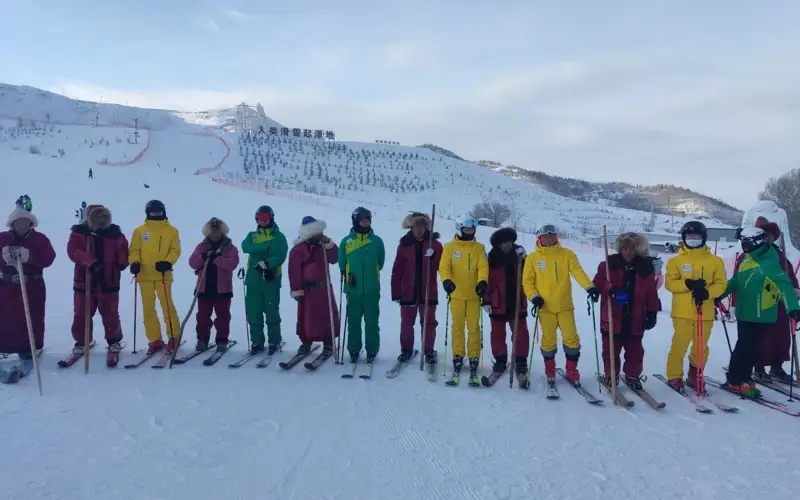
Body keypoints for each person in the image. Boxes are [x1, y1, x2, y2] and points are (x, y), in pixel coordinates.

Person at [718, 227, 800, 397]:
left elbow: (784, 285)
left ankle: (741, 379)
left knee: (751, 348)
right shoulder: (747, 259)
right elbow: (735, 281)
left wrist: (793, 308)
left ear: (756, 242)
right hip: (744, 313)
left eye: (747, 243)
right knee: (744, 347)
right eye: (743, 242)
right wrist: (717, 295)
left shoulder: (770, 261)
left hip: (762, 314)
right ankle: (737, 379)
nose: (744, 246)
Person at [522, 224, 599, 384]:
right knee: (549, 340)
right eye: (545, 236)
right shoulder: (532, 258)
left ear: (556, 237)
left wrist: (589, 287)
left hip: (565, 306)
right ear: (539, 238)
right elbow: (527, 282)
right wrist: (534, 297)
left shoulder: (567, 254)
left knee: (571, 339)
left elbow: (578, 272)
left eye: (552, 236)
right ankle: (550, 370)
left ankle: (571, 370)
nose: (549, 239)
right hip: (545, 307)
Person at [663, 220, 727, 393]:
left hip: (704, 311)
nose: (692, 239)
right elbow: (669, 284)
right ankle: (674, 375)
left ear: (703, 238)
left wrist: (708, 292)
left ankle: (695, 373)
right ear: (684, 238)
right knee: (679, 344)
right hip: (682, 311)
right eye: (689, 236)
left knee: (701, 346)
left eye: (696, 236)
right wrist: (687, 284)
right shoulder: (675, 261)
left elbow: (721, 284)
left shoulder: (715, 262)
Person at [592, 232, 659, 390]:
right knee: (610, 350)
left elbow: (651, 292)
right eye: (625, 248)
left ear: (638, 249)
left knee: (635, 351)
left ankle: (632, 376)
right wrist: (611, 288)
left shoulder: (645, 267)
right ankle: (611, 375)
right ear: (620, 249)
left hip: (635, 319)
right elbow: (598, 282)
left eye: (632, 248)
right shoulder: (608, 265)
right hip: (612, 317)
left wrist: (652, 312)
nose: (628, 252)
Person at [66, 205, 129, 365]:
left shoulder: (116, 235)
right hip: (85, 280)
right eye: (97, 218)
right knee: (82, 312)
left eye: (104, 218)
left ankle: (114, 340)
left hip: (109, 281)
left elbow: (123, 253)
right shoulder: (80, 234)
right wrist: (89, 261)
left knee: (110, 313)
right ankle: (82, 340)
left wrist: (121, 263)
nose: (101, 222)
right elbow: (74, 252)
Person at [0, 207, 56, 361]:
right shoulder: (3, 238)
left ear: (31, 223)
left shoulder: (39, 239)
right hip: (8, 285)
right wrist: (6, 256)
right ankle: (5, 346)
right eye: (18, 223)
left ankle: (30, 347)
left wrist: (28, 255)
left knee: (32, 316)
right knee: (7, 316)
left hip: (32, 285)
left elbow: (49, 258)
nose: (22, 226)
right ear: (12, 224)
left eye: (25, 222)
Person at [438, 216, 489, 382]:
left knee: (474, 327)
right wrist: (446, 280)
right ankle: (458, 354)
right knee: (457, 327)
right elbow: (444, 267)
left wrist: (482, 281)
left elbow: (483, 266)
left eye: (472, 229)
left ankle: (474, 355)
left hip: (474, 295)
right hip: (457, 295)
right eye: (467, 229)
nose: (470, 232)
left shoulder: (479, 248)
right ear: (459, 229)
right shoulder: (450, 247)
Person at [128, 200, 182, 354]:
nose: (156, 215)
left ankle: (174, 336)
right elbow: (134, 250)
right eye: (153, 212)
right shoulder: (139, 231)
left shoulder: (172, 231)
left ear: (163, 212)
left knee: (167, 306)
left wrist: (168, 261)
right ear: (147, 213)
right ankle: (154, 339)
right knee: (148, 309)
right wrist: (135, 262)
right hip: (144, 275)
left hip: (163, 275)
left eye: (158, 212)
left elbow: (175, 249)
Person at [390, 211, 442, 366]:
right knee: (406, 323)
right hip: (408, 291)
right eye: (416, 226)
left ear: (426, 227)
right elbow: (397, 269)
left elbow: (441, 267)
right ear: (411, 227)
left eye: (422, 226)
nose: (419, 229)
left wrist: (433, 257)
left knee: (428, 322)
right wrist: (396, 291)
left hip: (428, 291)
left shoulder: (436, 245)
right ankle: (406, 350)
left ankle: (429, 351)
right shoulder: (404, 245)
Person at [339, 207, 385, 364]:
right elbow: (341, 263)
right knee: (353, 321)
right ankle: (354, 349)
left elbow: (381, 262)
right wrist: (348, 275)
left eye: (368, 220)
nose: (365, 223)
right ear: (356, 221)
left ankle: (372, 349)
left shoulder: (376, 241)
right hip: (353, 290)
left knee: (372, 321)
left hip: (372, 289)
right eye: (362, 220)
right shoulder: (346, 241)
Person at [483, 227, 530, 385]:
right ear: (498, 244)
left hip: (517, 301)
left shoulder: (519, 255)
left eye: (510, 242)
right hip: (497, 302)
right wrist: (486, 300)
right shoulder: (491, 258)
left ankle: (521, 361)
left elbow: (530, 273)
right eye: (505, 242)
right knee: (497, 334)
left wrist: (525, 258)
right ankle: (500, 360)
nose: (508, 245)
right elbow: (485, 280)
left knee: (520, 333)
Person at [288, 216, 339, 357]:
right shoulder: (298, 250)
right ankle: (306, 342)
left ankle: (328, 342)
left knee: (326, 316)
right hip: (307, 290)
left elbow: (335, 258)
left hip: (323, 289)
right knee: (306, 318)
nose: (319, 235)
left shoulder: (323, 247)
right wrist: (296, 290)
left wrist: (329, 243)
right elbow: (294, 271)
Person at [188, 217, 239, 352]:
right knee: (203, 315)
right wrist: (204, 257)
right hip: (204, 287)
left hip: (223, 289)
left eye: (217, 232)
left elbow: (232, 263)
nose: (214, 235)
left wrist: (217, 259)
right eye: (212, 232)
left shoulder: (230, 247)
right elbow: (192, 262)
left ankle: (222, 339)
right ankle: (202, 339)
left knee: (223, 315)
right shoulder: (202, 247)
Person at [241, 205, 288, 355]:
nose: (262, 222)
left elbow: (281, 255)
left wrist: (268, 263)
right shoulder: (252, 235)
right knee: (254, 312)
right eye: (260, 219)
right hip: (253, 280)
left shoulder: (279, 237)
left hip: (270, 279)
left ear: (271, 218)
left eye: (265, 219)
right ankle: (257, 341)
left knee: (271, 311)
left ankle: (274, 340)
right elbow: (245, 247)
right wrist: (265, 246)